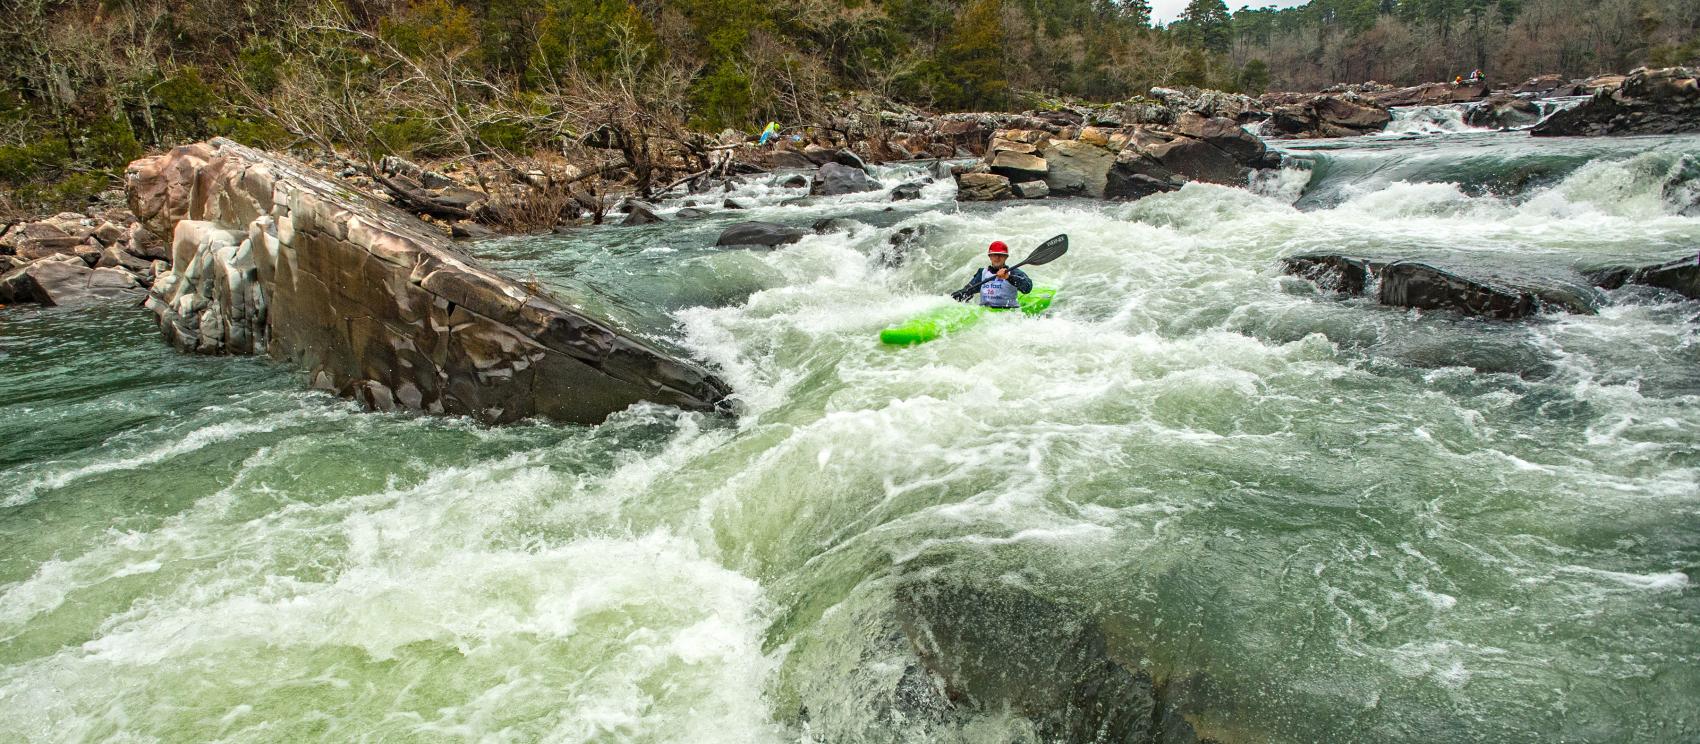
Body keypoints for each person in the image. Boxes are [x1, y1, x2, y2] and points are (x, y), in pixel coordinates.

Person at [951, 240, 1033, 307]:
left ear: (1006, 257)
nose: (997, 258)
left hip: (1008, 312)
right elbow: (969, 291)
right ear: (990, 256)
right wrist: (953, 298)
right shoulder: (982, 274)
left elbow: (1027, 288)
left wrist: (1008, 277)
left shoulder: (1014, 272)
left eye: (1001, 255)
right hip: (987, 314)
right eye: (994, 255)